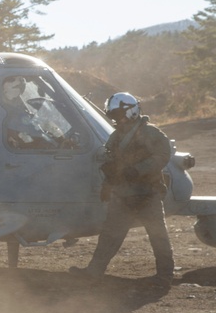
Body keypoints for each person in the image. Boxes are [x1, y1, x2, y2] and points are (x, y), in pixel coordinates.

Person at [70, 92, 175, 285]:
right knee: (109, 235)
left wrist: (137, 170)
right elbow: (111, 164)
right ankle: (94, 272)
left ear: (131, 111)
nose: (116, 119)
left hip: (147, 193)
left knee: (158, 235)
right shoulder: (116, 136)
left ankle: (165, 275)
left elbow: (163, 155)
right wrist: (107, 185)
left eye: (118, 114)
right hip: (123, 194)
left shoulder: (151, 133)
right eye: (113, 116)